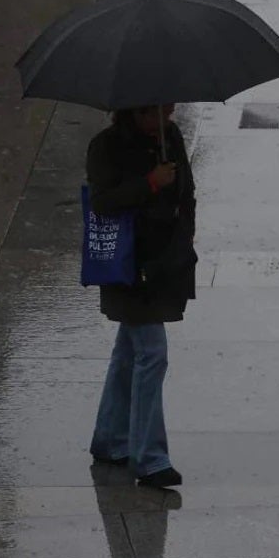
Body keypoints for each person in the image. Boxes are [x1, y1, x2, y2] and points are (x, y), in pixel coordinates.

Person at [86, 104, 196, 489]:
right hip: (128, 265)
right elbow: (101, 201)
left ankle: (111, 439)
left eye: (168, 107)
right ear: (133, 110)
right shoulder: (106, 146)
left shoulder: (173, 137)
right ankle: (149, 458)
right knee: (152, 353)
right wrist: (150, 182)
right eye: (154, 110)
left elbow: (188, 193)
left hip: (164, 263)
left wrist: (186, 235)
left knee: (129, 354)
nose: (165, 114)